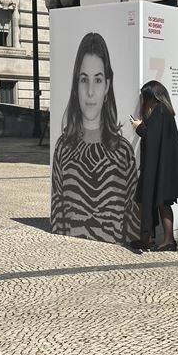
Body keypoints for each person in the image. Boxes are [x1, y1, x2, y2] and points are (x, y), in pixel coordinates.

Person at [51, 32, 139, 244]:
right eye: (84, 80)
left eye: (98, 80)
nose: (90, 92)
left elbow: (132, 220)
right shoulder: (63, 148)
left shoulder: (123, 152)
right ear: (76, 86)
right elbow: (58, 216)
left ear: (107, 86)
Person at [129, 80, 178, 252]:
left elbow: (151, 139)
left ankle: (152, 238)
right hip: (164, 167)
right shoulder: (165, 111)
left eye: (145, 97)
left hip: (158, 168)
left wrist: (139, 127)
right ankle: (165, 239)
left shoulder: (159, 112)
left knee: (149, 200)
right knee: (162, 202)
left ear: (151, 96)